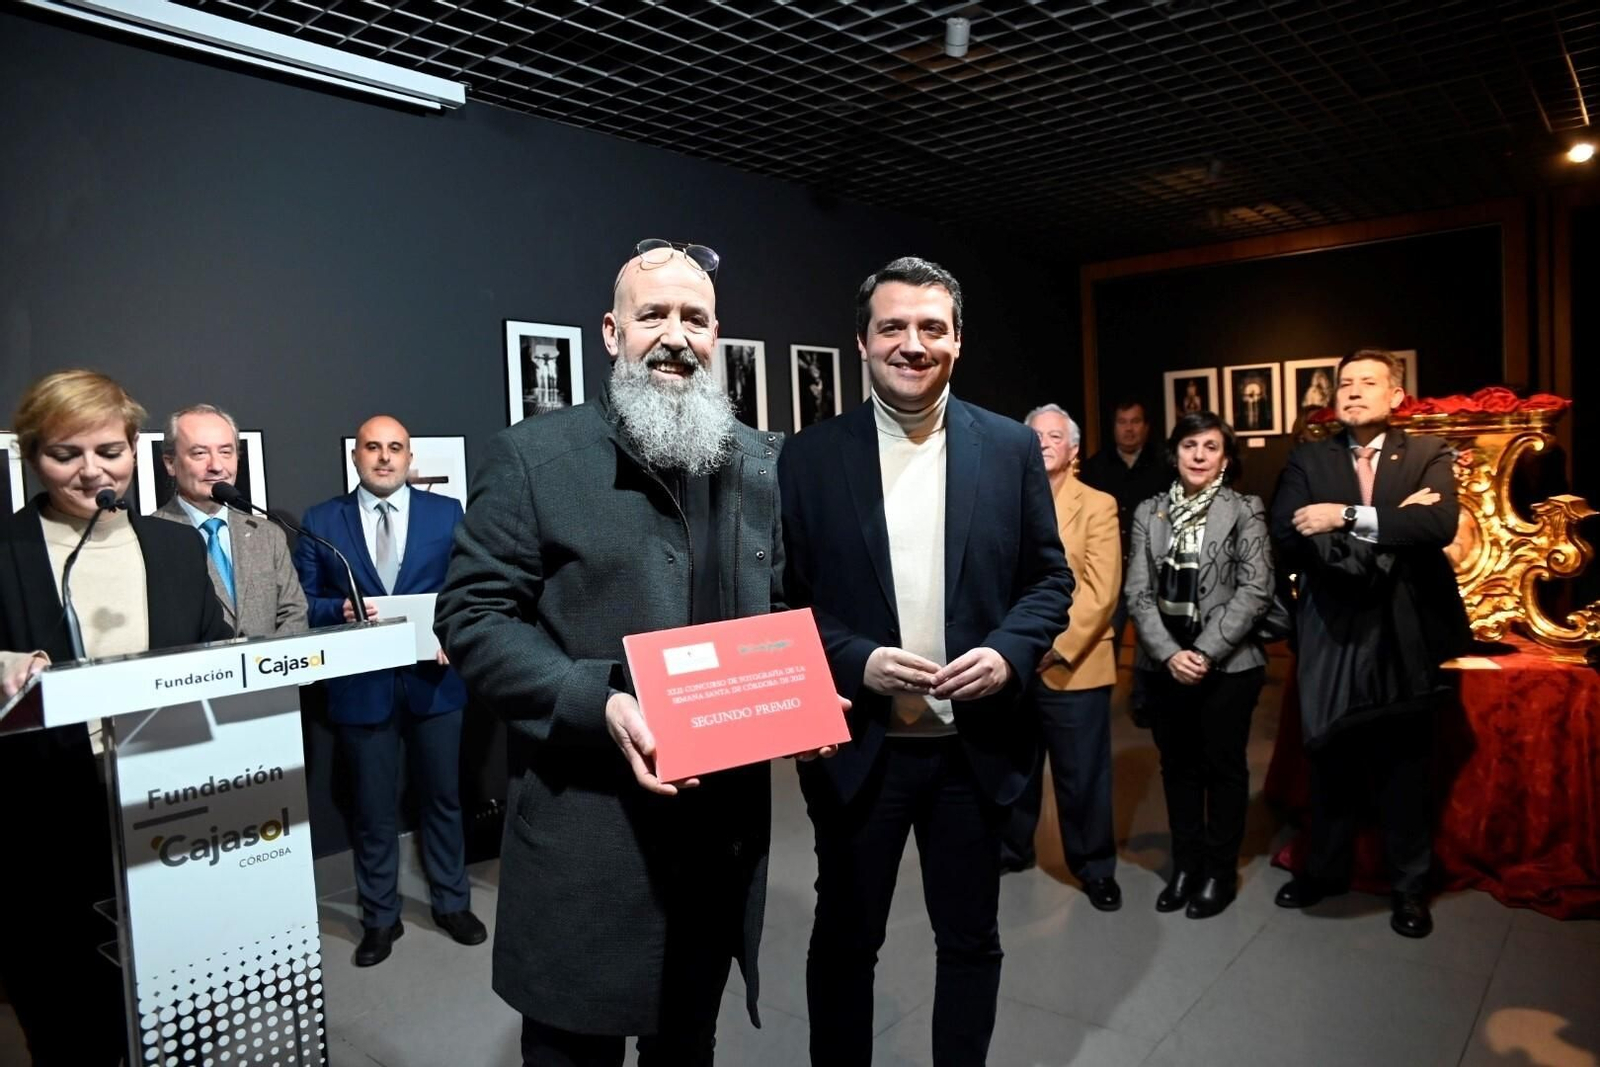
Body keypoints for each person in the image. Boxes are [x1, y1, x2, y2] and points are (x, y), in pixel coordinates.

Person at [436, 241, 833, 1065]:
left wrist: (805, 688)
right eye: (654, 315)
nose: (675, 335)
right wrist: (600, 700)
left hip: (715, 838)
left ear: (717, 335)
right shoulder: (534, 460)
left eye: (695, 317)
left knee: (687, 1042)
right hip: (588, 830)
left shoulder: (756, 463)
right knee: (571, 1048)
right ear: (612, 332)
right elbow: (472, 618)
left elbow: (783, 605)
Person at [779, 255, 1073, 1065]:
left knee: (970, 940)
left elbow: (1050, 582)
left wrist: (1010, 655)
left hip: (971, 753)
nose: (914, 343)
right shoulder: (806, 459)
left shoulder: (1011, 448)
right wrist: (855, 659)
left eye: (932, 328)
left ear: (958, 341)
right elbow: (783, 600)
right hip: (859, 752)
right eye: (894, 327)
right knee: (843, 942)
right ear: (863, 342)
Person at [0, 370, 230, 1065]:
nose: (91, 469)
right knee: (71, 1005)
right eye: (65, 454)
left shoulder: (175, 547)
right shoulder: (5, 551)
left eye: (109, 450)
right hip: (47, 806)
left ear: (135, 448)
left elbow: (215, 647)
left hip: (169, 794)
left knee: (181, 998)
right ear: (32, 457)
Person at [1270, 348, 1470, 939]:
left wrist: (1345, 515)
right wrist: (1389, 522)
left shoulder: (1429, 453)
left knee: (1405, 770)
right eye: (1345, 384)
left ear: (1396, 397)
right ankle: (1323, 872)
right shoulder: (1309, 458)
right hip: (1333, 632)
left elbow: (1437, 526)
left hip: (1405, 634)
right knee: (1330, 764)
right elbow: (1288, 529)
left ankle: (1409, 888)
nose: (1354, 392)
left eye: (1368, 383)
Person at [294, 415, 484, 967]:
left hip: (435, 682)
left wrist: (456, 631)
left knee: (444, 800)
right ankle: (379, 918)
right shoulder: (321, 521)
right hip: (361, 688)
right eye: (372, 447)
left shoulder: (446, 513)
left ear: (409, 459)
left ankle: (452, 903)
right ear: (355, 456)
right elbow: (302, 603)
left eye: (394, 448)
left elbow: (470, 588)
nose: (384, 457)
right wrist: (341, 610)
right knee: (372, 811)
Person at [1125, 411, 1273, 919]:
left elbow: (1256, 589)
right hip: (1164, 662)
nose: (1199, 455)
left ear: (1226, 459)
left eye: (1211, 447)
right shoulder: (1150, 511)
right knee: (1178, 768)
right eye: (1190, 445)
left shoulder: (1245, 509)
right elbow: (1137, 591)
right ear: (1175, 453)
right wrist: (1169, 654)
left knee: (1223, 768)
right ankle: (1185, 866)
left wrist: (1204, 652)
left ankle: (1218, 872)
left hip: (1228, 665)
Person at [999, 404, 1123, 912]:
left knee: (1082, 778)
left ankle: (1094, 868)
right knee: (1014, 767)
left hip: (1074, 663)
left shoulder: (1098, 504)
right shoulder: (1004, 501)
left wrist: (1052, 648)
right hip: (1012, 665)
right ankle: (1012, 849)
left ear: (1073, 449)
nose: (1046, 442)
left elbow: (1101, 590)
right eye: (1037, 436)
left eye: (1056, 436)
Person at [153, 403, 307, 638]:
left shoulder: (267, 534)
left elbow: (294, 614)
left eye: (226, 452)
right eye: (199, 453)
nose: (216, 466)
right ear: (170, 463)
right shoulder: (152, 538)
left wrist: (267, 668)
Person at [1080, 398, 1172, 723]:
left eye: (1135, 421)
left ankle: (1144, 702)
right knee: (1106, 639)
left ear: (1145, 427)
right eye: (1123, 422)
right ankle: (1096, 703)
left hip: (1153, 571)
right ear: (1114, 426)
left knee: (1152, 641)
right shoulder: (1094, 468)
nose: (1129, 428)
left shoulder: (1165, 467)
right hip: (1110, 572)